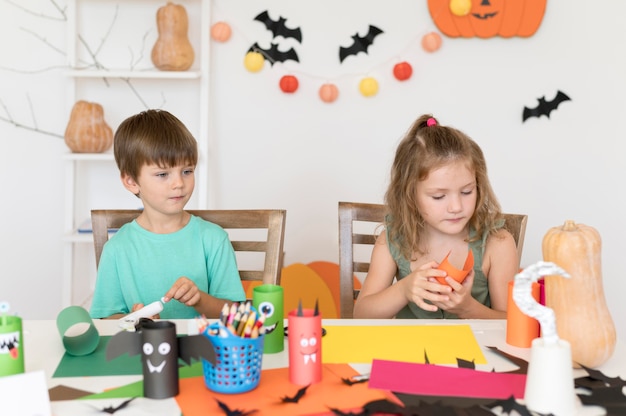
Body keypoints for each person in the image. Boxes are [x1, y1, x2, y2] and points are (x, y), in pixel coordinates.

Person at [353, 114, 519, 320]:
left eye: (467, 192)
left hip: (475, 351)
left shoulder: (498, 243)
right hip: (408, 351)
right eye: (439, 196)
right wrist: (403, 290)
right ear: (410, 195)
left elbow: (511, 323)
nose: (457, 207)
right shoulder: (392, 242)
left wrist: (468, 308)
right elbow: (362, 315)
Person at [90, 109, 246, 320]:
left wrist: (199, 299)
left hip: (205, 350)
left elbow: (235, 315)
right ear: (131, 182)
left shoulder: (213, 239)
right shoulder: (117, 249)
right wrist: (134, 320)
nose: (179, 183)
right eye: (163, 174)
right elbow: (104, 321)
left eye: (187, 171)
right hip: (142, 351)